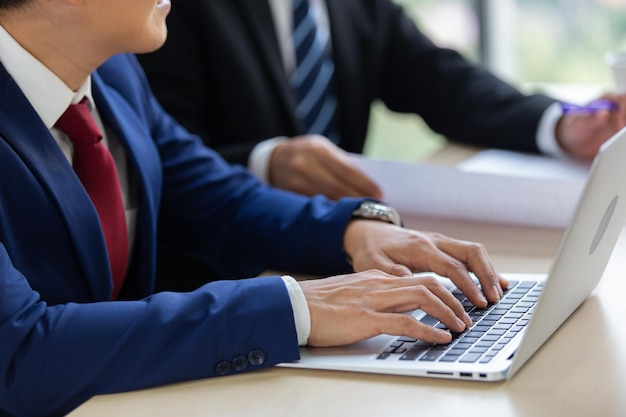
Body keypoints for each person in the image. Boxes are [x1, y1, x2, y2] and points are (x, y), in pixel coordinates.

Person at [0, 0, 509, 416]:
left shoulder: (113, 73)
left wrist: (355, 231)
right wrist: (295, 309)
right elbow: (20, 353)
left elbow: (213, 195)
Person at [138, 0, 626, 201]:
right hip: (226, 263)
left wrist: (557, 125)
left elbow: (442, 81)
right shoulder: (164, 12)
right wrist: (263, 162)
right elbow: (156, 151)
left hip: (343, 248)